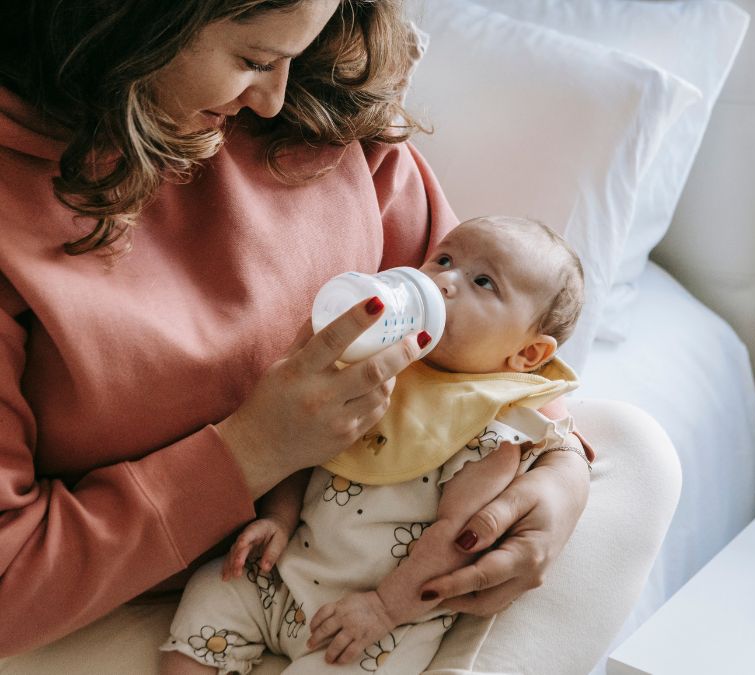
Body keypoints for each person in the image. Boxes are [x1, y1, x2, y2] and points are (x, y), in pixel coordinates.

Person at [0, 1, 681, 673]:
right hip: (105, 601)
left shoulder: (317, 102)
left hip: (348, 572)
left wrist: (555, 477)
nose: (273, 99)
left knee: (632, 450)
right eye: (254, 59)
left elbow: (481, 343)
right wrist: (253, 450)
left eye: (298, 51)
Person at [160, 215, 587, 673]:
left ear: (528, 354)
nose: (444, 281)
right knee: (212, 591)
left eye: (483, 282)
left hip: (372, 622)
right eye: (442, 259)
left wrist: (385, 608)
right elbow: (304, 448)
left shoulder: (492, 427)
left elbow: (456, 538)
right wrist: (279, 519)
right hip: (283, 576)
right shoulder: (375, 363)